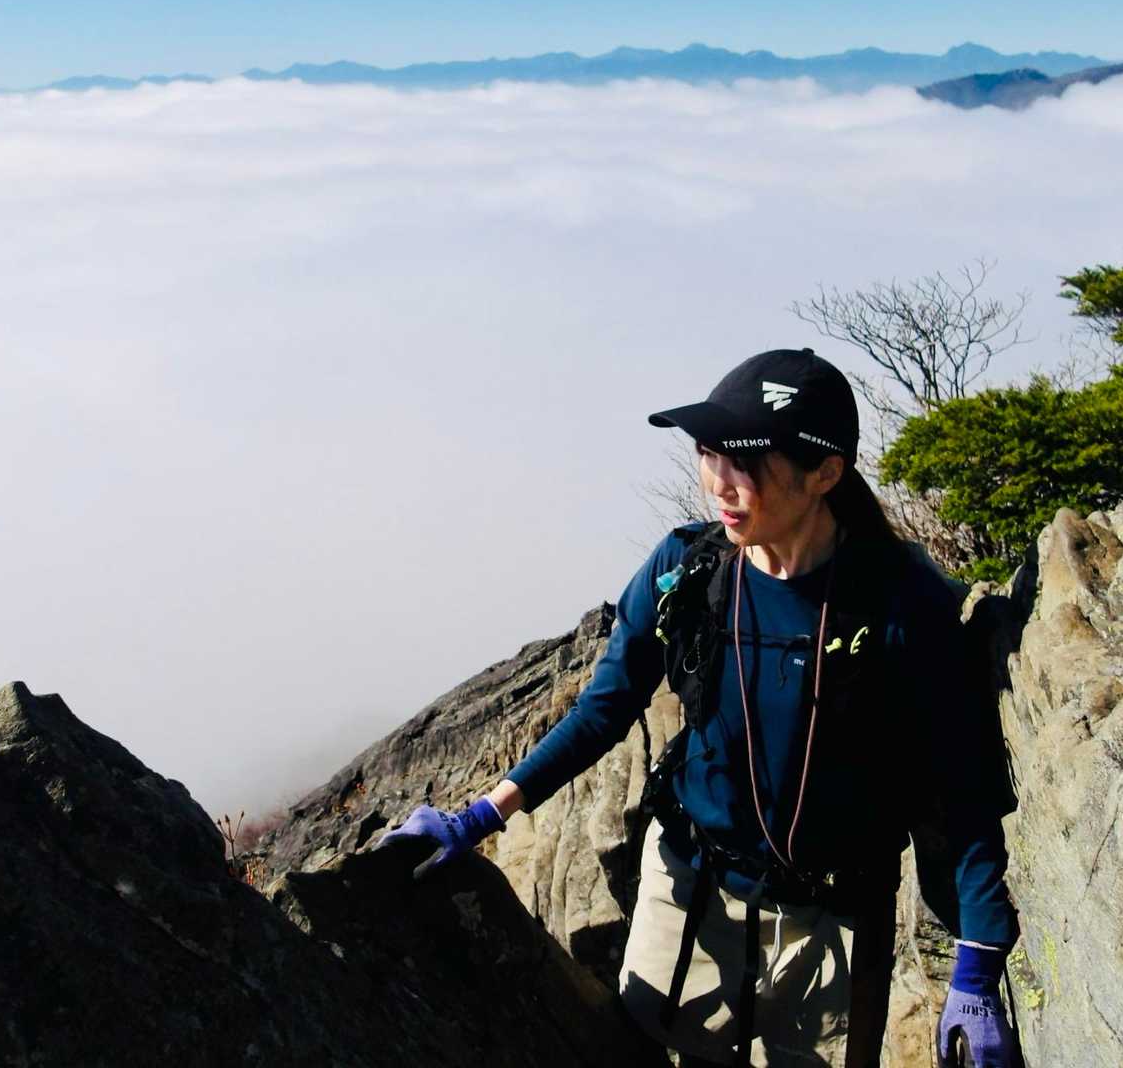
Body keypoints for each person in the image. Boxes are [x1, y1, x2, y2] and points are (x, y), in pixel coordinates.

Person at [381, 349, 1021, 1068]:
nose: (720, 482)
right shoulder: (688, 569)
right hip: (690, 888)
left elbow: (965, 793)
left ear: (825, 473)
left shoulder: (901, 604)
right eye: (709, 453)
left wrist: (976, 973)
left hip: (833, 923)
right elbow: (603, 710)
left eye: (746, 462)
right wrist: (481, 816)